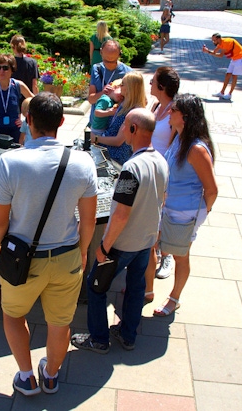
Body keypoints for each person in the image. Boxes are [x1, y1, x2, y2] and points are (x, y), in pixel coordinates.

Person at [0, 92, 98, 396]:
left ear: (28, 121)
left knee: (12, 315)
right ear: (62, 122)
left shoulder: (10, 162)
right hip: (67, 257)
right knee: (60, 324)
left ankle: (26, 377)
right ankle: (50, 376)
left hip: (22, 259)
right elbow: (88, 221)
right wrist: (84, 251)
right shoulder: (83, 161)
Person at [71, 108, 168, 353]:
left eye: (125, 125)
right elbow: (162, 199)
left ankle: (99, 339)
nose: (122, 129)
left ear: (134, 129)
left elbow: (121, 214)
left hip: (121, 245)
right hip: (145, 242)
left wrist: (103, 247)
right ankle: (128, 335)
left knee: (95, 287)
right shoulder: (161, 161)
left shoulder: (131, 169)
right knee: (136, 289)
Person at [153, 94, 218, 316]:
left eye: (174, 110)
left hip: (185, 212)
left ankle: (174, 299)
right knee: (159, 248)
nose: (168, 112)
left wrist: (200, 214)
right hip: (169, 207)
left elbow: (212, 189)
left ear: (186, 117)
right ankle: (147, 290)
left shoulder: (196, 149)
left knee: (181, 256)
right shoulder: (179, 138)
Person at [141, 66, 181, 302]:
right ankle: (153, 256)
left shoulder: (176, 110)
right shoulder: (156, 106)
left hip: (166, 173)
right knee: (153, 219)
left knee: (164, 219)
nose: (150, 84)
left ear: (163, 86)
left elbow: (178, 145)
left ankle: (166, 256)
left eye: (154, 81)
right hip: (150, 170)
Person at [91, 71, 146, 165]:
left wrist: (95, 138)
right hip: (106, 149)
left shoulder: (133, 112)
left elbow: (118, 141)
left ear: (130, 88)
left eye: (122, 84)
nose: (120, 86)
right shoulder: (124, 102)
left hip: (115, 158)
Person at [88, 39, 132, 126]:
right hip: (98, 122)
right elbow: (91, 99)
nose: (109, 64)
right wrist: (103, 93)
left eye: (113, 61)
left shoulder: (129, 73)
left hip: (116, 124)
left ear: (119, 54)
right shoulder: (96, 69)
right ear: (101, 52)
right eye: (106, 61)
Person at [203, 33, 242, 101]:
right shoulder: (220, 43)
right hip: (234, 58)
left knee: (234, 76)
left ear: (218, 39)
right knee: (228, 74)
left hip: (240, 58)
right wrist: (207, 51)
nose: (213, 42)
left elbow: (220, 55)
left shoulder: (226, 43)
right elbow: (214, 52)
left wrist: (208, 52)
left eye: (214, 40)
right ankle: (222, 92)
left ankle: (230, 94)